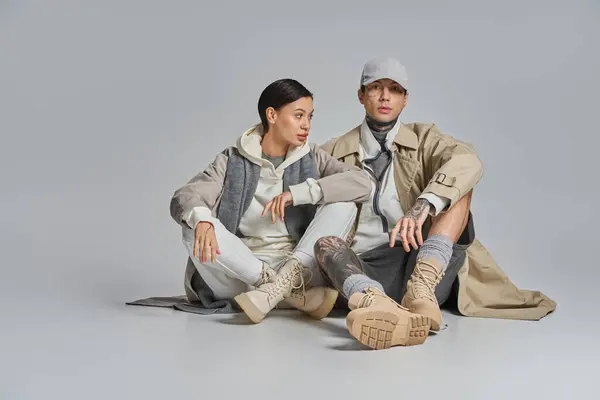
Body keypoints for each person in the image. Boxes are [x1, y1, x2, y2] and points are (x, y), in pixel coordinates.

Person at [314, 57, 557, 350]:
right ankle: (377, 305)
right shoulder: (331, 152)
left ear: (405, 99)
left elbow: (467, 161)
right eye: (375, 87)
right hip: (359, 269)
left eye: (394, 89)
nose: (384, 96)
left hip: (422, 263)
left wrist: (424, 206)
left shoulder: (426, 138)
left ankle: (419, 293)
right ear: (361, 95)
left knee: (459, 190)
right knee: (325, 244)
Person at [169, 78, 373, 324]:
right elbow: (186, 195)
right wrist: (202, 220)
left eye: (310, 117)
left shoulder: (314, 157)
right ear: (272, 115)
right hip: (241, 273)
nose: (306, 125)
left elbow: (364, 183)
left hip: (300, 270)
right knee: (194, 225)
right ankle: (274, 287)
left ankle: (283, 285)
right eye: (299, 115)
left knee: (344, 203)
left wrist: (300, 193)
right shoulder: (231, 160)